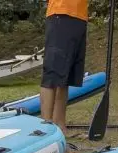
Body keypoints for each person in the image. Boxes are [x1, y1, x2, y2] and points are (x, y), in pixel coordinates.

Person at [40, 0, 89, 133]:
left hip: (79, 16)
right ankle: (45, 130)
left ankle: (60, 127)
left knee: (65, 77)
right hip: (61, 12)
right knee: (53, 74)